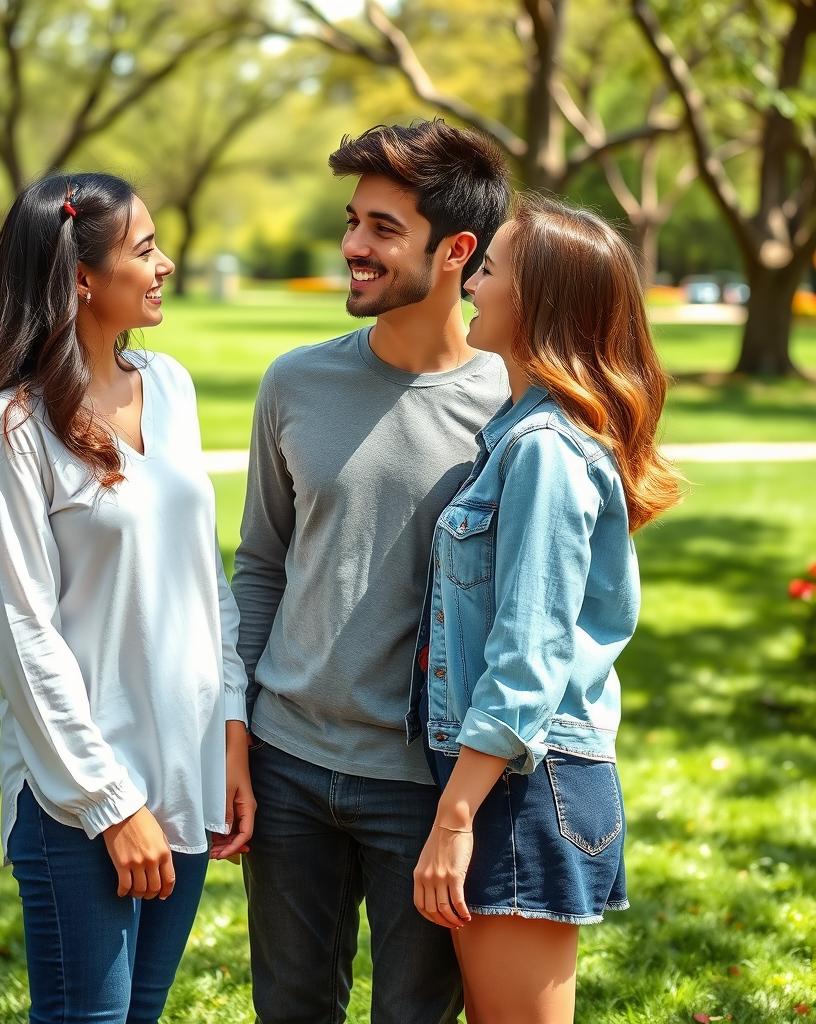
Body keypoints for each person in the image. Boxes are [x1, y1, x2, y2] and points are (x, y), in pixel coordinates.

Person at [0, 172, 254, 1024]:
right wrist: (112, 806)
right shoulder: (11, 431)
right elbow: (21, 637)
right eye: (144, 250)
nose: (167, 264)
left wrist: (231, 733)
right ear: (81, 277)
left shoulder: (174, 387)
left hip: (186, 777)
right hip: (77, 796)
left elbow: (205, 580)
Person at [232, 120, 512, 1024]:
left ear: (455, 251)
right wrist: (235, 733)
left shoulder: (514, 407)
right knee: (292, 1008)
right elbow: (261, 566)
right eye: (353, 220)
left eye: (384, 229)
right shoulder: (293, 383)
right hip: (287, 766)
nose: (354, 246)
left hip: (423, 785)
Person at [408, 194, 682, 1023]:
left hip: (522, 787)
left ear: (538, 302)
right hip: (511, 780)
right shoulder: (517, 433)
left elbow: (529, 657)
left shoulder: (547, 453)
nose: (470, 282)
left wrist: (456, 818)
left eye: (488, 269)